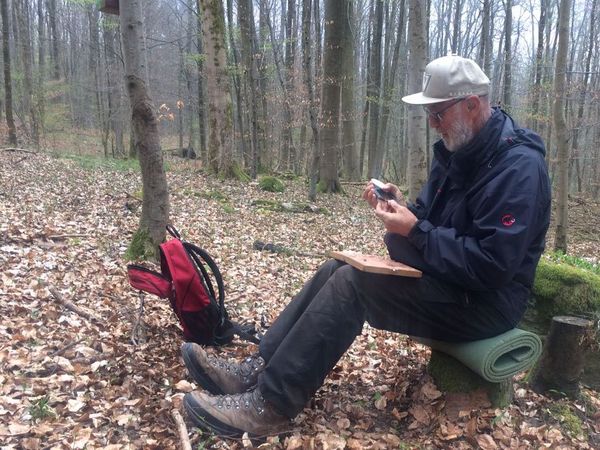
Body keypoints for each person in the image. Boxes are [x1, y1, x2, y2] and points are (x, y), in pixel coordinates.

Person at [181, 54, 551, 439]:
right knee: (336, 270)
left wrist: (417, 232)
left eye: (438, 114)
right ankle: (257, 369)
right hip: (453, 283)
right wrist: (401, 209)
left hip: (487, 305)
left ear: (471, 104)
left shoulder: (517, 169)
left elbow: (493, 266)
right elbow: (428, 217)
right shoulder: (460, 151)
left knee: (353, 287)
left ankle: (270, 405)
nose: (432, 124)